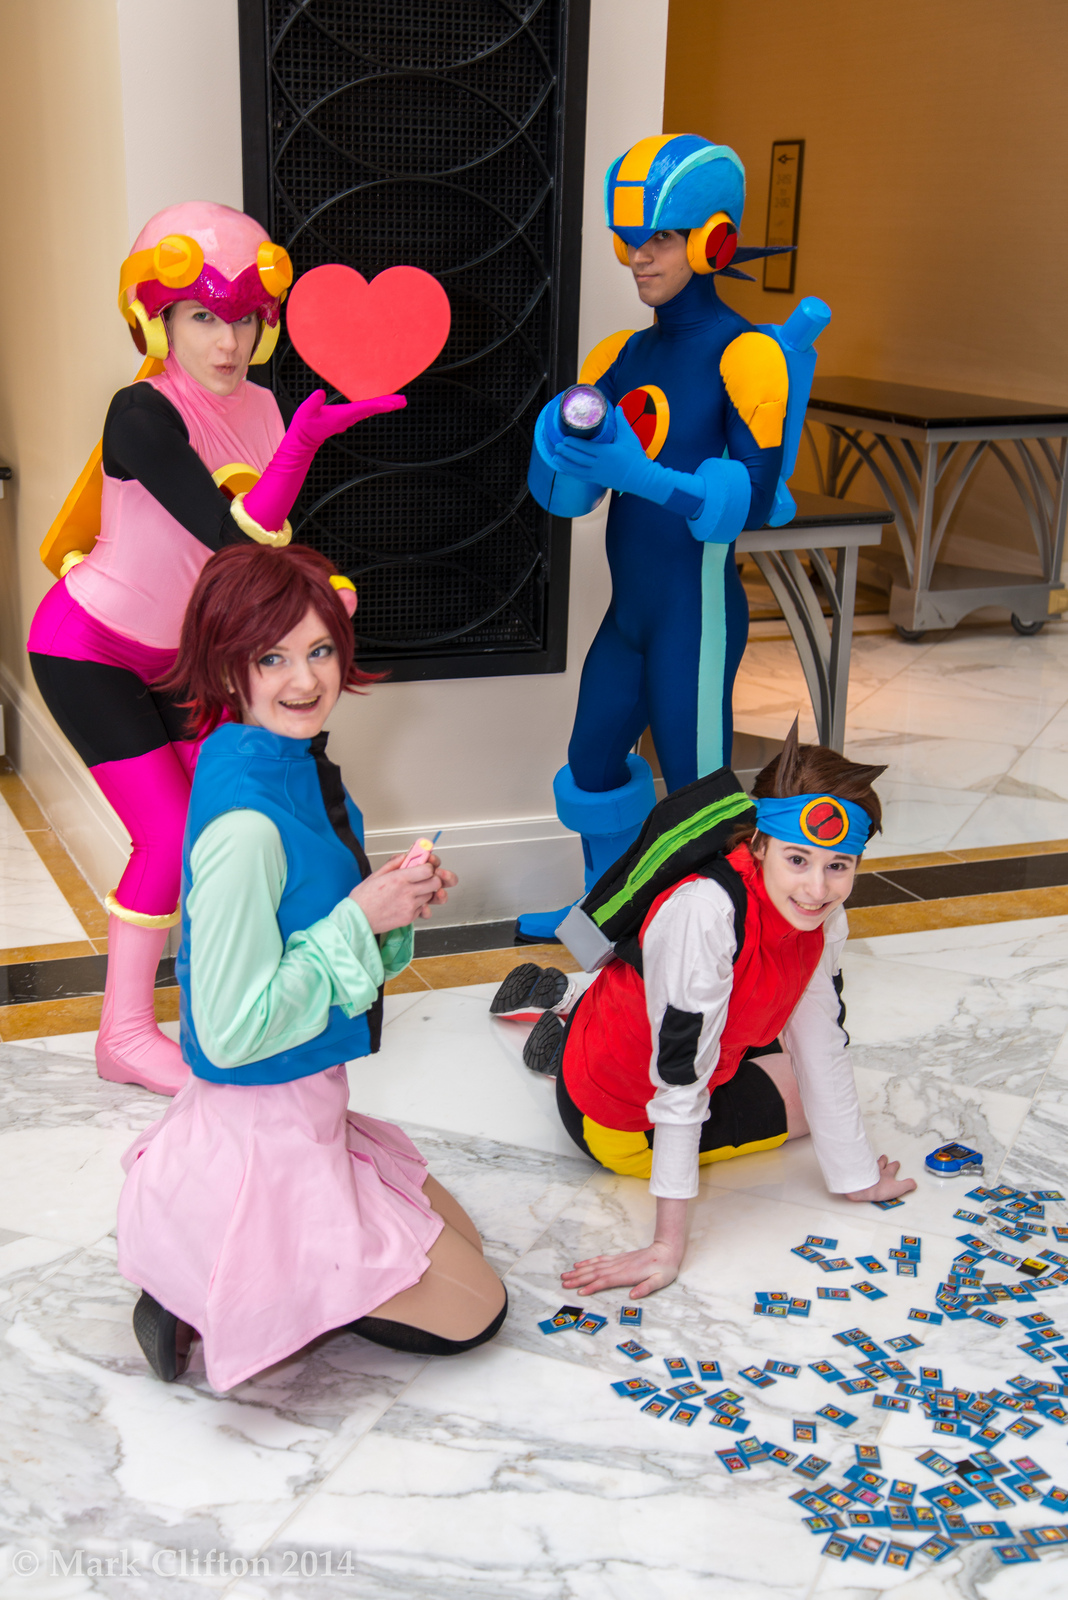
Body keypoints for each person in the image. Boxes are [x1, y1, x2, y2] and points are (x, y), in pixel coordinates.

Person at [28, 202, 404, 1096]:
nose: (227, 342)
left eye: (243, 317)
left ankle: (238, 1009)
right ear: (156, 319)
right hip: (89, 647)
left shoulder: (265, 406)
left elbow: (253, 557)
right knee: (167, 833)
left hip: (184, 660)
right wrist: (303, 478)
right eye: (202, 316)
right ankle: (123, 1034)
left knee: (241, 820)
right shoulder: (139, 413)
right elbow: (229, 536)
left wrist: (317, 578)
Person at [117, 543, 506, 1388]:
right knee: (479, 1309)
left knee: (469, 1247)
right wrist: (359, 918)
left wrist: (385, 907)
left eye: (320, 650)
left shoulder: (281, 760)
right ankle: (209, 1276)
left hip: (309, 1101)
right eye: (272, 658)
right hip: (263, 1125)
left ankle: (225, 1264)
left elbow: (313, 926)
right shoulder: (246, 827)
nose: (305, 680)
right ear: (227, 664)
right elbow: (227, 1033)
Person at [517, 134, 823, 941]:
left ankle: (711, 941)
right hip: (632, 614)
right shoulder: (621, 354)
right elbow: (569, 496)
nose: (637, 258)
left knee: (699, 795)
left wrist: (641, 472)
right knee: (591, 767)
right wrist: (555, 443)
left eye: (658, 238)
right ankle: (608, 916)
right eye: (629, 239)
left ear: (712, 239)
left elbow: (745, 502)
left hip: (697, 611)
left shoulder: (749, 355)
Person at [493, 726, 916, 1300]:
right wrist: (665, 1247)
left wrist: (857, 1177)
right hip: (619, 1119)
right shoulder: (704, 912)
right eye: (797, 859)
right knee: (802, 1096)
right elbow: (680, 1079)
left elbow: (820, 1038)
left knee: (797, 1044)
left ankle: (569, 1003)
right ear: (759, 844)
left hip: (622, 1022)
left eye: (839, 866)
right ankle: (561, 1044)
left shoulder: (819, 915)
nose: (817, 889)